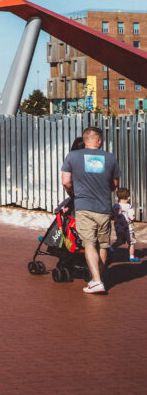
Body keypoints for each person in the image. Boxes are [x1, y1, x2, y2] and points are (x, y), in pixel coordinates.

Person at [61, 126, 121, 294]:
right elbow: (114, 184)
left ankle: (96, 281)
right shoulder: (110, 158)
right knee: (103, 245)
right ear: (98, 140)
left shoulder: (72, 156)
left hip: (84, 207)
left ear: (86, 139)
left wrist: (73, 192)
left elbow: (66, 181)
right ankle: (98, 279)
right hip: (104, 208)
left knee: (89, 244)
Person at [111, 187, 140, 263]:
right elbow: (132, 217)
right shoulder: (129, 207)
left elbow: (112, 215)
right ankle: (131, 256)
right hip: (128, 228)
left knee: (120, 241)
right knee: (131, 242)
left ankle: (111, 249)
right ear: (127, 198)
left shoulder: (115, 206)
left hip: (119, 228)